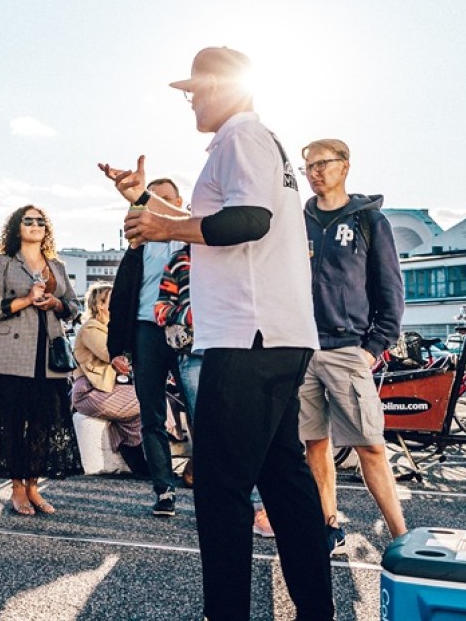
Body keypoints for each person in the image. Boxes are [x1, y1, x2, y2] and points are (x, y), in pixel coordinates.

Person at [117, 47, 333, 621]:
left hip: (249, 337)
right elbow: (230, 213)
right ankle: (317, 609)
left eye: (195, 89)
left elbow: (247, 220)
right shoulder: (254, 142)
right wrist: (146, 199)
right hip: (275, 334)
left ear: (224, 86)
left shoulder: (241, 138)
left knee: (220, 488)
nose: (190, 100)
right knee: (282, 476)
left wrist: (161, 221)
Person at [299, 138, 407, 551]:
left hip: (348, 348)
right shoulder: (298, 219)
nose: (315, 172)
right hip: (302, 347)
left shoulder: (369, 221)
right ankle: (328, 525)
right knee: (315, 442)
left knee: (370, 445)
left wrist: (374, 345)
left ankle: (400, 534)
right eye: (308, 165)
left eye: (323, 163)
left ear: (345, 166)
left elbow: (390, 289)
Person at [0, 206, 83, 515]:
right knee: (12, 423)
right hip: (11, 355)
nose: (35, 225)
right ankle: (16, 489)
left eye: (40, 221)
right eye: (28, 220)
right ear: (17, 227)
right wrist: (26, 299)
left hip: (49, 355)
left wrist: (56, 303)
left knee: (43, 423)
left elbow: (75, 306)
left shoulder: (57, 265)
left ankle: (34, 486)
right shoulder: (3, 262)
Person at [98, 175, 189, 515]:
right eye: (150, 199)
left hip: (187, 332)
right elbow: (122, 295)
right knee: (151, 416)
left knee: (201, 412)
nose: (156, 204)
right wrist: (117, 348)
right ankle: (164, 490)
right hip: (146, 332)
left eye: (164, 198)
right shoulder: (138, 244)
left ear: (178, 204)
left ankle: (210, 483)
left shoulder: (192, 239)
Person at [70, 283, 144, 470]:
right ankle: (135, 454)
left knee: (143, 408)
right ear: (100, 304)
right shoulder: (91, 328)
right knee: (147, 401)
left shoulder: (110, 328)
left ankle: (134, 453)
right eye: (114, 298)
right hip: (89, 391)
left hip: (109, 389)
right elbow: (110, 353)